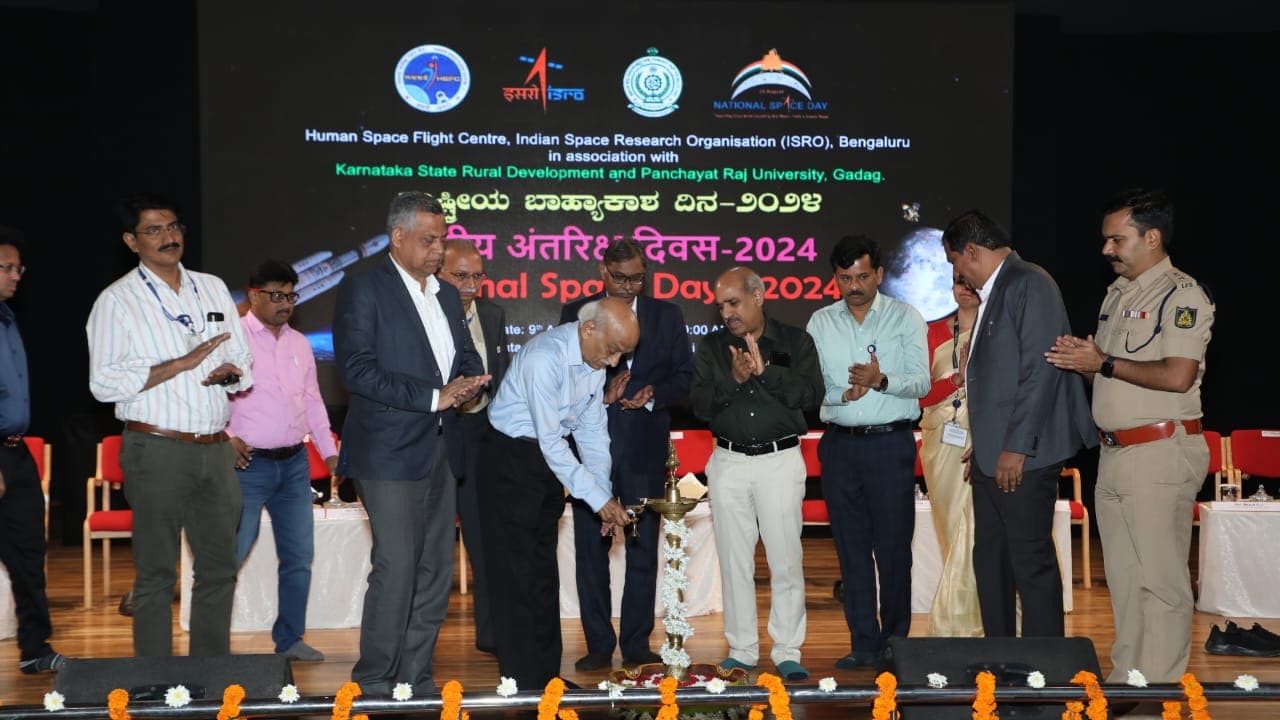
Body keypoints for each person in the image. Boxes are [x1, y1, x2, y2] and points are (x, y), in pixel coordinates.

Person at [1045, 189, 1213, 685]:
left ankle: (1160, 692)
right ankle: (1128, 682)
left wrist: (1103, 363)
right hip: (1116, 453)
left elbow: (1178, 375)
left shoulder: (1182, 295)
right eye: (1106, 239)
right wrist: (1083, 362)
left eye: (1117, 239)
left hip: (1161, 451)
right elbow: (1112, 373)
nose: (1106, 249)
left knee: (1160, 581)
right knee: (1124, 580)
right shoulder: (1118, 293)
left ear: (1152, 237)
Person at [333, 191, 489, 695]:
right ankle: (374, 682)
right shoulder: (363, 289)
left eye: (442, 239)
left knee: (435, 570)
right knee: (398, 566)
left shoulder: (445, 294)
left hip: (443, 448)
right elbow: (357, 370)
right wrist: (433, 397)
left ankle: (414, 679)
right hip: (387, 451)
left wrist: (469, 383)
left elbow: (464, 355)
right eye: (428, 240)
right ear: (398, 238)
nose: (438, 249)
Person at [87, 193, 254, 656]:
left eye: (174, 227)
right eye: (154, 230)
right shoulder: (117, 300)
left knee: (220, 568)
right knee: (157, 571)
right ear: (131, 241)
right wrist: (181, 363)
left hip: (216, 448)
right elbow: (103, 383)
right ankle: (155, 676)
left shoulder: (212, 287)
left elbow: (243, 357)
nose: (169, 237)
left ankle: (209, 673)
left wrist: (232, 372)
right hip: (155, 448)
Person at [941, 209, 1096, 638]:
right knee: (990, 561)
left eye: (955, 261)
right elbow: (998, 381)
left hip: (1025, 456)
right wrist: (987, 440)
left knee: (1029, 562)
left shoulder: (1029, 282)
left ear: (972, 251)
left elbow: (1040, 371)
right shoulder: (998, 289)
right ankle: (1000, 658)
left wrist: (1015, 446)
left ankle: (1044, 667)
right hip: (995, 454)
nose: (958, 272)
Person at [478, 297, 636, 688]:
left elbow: (592, 433)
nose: (615, 362)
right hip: (509, 460)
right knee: (516, 580)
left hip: (546, 466)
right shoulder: (543, 357)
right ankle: (521, 685)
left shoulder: (593, 362)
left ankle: (547, 680)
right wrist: (600, 501)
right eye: (612, 350)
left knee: (543, 576)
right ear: (589, 328)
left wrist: (603, 495)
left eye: (622, 354)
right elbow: (551, 441)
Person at [559, 239, 693, 672]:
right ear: (603, 272)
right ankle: (599, 645)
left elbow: (684, 377)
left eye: (637, 278)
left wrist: (653, 394)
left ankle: (636, 643)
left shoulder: (666, 315)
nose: (628, 286)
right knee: (590, 551)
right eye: (620, 278)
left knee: (642, 548)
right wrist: (601, 396)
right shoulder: (577, 313)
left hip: (643, 449)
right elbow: (564, 380)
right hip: (589, 451)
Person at [691, 267, 823, 681]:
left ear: (758, 297)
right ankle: (742, 649)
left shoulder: (795, 341)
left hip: (779, 461)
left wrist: (767, 372)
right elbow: (700, 406)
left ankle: (787, 649)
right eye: (720, 306)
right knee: (734, 561)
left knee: (786, 559)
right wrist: (733, 380)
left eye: (733, 303)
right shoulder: (712, 347)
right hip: (728, 462)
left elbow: (811, 396)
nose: (726, 313)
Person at [806, 236, 929, 670]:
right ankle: (862, 642)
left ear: (879, 274)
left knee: (893, 550)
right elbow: (812, 390)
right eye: (845, 278)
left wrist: (881, 381)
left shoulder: (905, 317)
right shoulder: (820, 322)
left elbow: (922, 382)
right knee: (851, 549)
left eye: (862, 276)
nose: (854, 286)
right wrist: (844, 393)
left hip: (890, 444)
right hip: (839, 446)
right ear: (834, 278)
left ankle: (895, 643)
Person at [226, 259, 339, 662]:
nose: (286, 303)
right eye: (276, 296)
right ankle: (212, 643)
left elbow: (313, 402)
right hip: (246, 466)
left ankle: (289, 640)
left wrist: (330, 452)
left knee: (298, 557)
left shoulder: (299, 344)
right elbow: (209, 398)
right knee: (231, 554)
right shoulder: (232, 339)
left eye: (291, 295)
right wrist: (224, 437)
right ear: (253, 296)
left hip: (294, 464)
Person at [437, 239, 509, 655]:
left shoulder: (493, 315)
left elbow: (501, 376)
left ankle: (492, 634)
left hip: (484, 436)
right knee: (433, 541)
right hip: (441, 434)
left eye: (477, 276)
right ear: (439, 273)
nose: (470, 285)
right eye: (460, 275)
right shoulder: (430, 314)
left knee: (485, 539)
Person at [0, 228, 66, 674]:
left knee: (28, 552)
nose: (16, 275)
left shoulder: (8, 318)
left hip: (15, 450)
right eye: (6, 267)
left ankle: (35, 649)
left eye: (18, 267)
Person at [917, 273, 983, 638]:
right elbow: (918, 395)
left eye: (971, 283)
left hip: (985, 439)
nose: (965, 289)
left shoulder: (997, 327)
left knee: (981, 531)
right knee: (953, 528)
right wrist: (955, 382)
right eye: (959, 282)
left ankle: (980, 618)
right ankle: (960, 619)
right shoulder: (931, 333)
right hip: (942, 442)